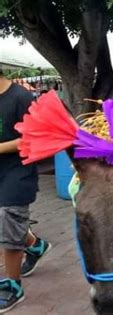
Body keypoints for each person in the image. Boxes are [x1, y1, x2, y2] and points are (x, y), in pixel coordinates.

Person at [0, 69, 52, 313]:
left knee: (9, 218)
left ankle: (13, 287)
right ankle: (35, 245)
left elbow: (33, 137)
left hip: (18, 171)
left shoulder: (21, 97)